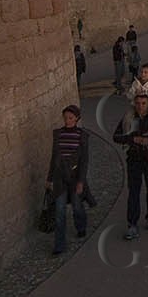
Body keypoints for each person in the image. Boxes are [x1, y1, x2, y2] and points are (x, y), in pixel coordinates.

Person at [113, 93, 148, 240]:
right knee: (134, 192)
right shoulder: (128, 118)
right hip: (134, 159)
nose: (140, 106)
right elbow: (116, 136)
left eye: (143, 103)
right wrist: (132, 138)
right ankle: (132, 224)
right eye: (138, 103)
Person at [46, 104, 90, 254]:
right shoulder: (58, 134)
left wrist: (81, 181)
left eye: (70, 118)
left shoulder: (82, 135)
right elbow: (54, 158)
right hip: (59, 178)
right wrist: (49, 178)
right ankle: (59, 245)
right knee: (60, 211)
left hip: (75, 177)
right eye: (65, 118)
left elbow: (84, 160)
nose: (67, 120)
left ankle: (81, 226)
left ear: (76, 118)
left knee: (77, 206)